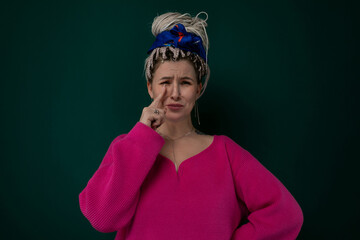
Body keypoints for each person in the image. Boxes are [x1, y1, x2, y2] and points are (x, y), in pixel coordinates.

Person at [79, 11, 303, 240]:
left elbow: (286, 214)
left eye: (185, 82)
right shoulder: (127, 147)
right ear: (150, 87)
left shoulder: (226, 152)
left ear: (198, 88)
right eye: (165, 82)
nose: (174, 93)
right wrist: (141, 137)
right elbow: (102, 219)